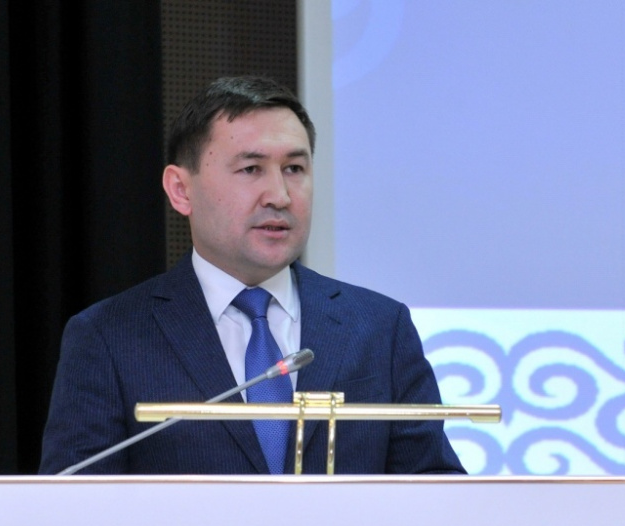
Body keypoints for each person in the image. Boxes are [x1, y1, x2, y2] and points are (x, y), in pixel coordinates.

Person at [39, 76, 464, 475]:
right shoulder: (109, 337)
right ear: (181, 190)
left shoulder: (379, 328)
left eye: (294, 169)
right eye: (251, 169)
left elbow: (435, 495)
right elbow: (72, 508)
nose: (280, 196)